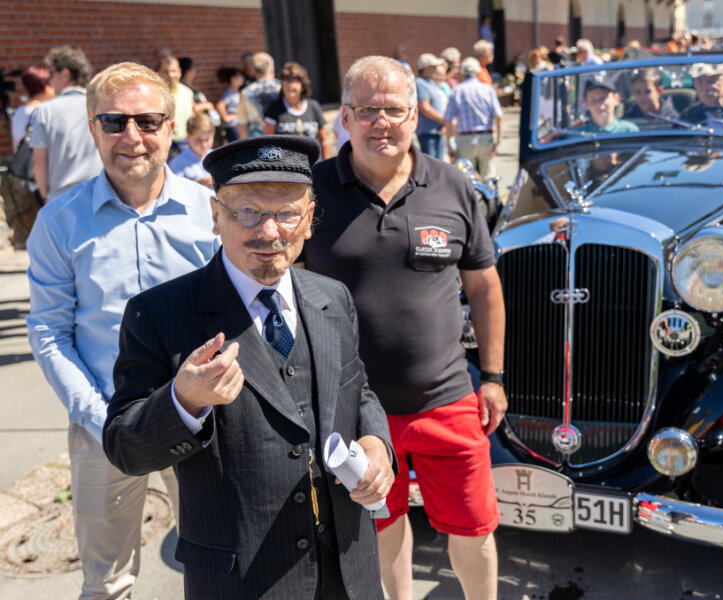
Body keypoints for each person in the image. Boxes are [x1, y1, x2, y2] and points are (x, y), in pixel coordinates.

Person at [103, 135, 394, 599]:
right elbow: (124, 447)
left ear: (310, 220)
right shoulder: (158, 314)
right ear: (216, 216)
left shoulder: (332, 297)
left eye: (287, 214)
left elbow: (358, 392)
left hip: (348, 570)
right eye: (248, 213)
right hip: (242, 583)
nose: (270, 232)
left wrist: (377, 443)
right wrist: (184, 402)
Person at [304, 55, 506, 600]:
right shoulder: (310, 192)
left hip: (446, 398)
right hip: (352, 411)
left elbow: (485, 287)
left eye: (393, 109)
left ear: (416, 115)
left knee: (473, 528)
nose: (381, 122)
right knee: (381, 528)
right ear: (344, 117)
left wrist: (492, 376)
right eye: (367, 109)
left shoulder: (452, 187)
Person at [26, 61, 219, 600]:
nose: (132, 137)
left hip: (201, 424)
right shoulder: (60, 222)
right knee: (107, 584)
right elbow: (48, 331)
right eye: (114, 122)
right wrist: (97, 418)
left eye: (148, 121)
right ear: (92, 129)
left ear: (171, 126)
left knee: (219, 568)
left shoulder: (210, 214)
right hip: (103, 424)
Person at [30, 45, 103, 202]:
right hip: (102, 195)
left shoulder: (45, 111)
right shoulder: (102, 105)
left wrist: (45, 196)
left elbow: (38, 162)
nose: (49, 80)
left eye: (51, 74)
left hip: (62, 199)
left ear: (65, 74)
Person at [443, 57, 504, 179]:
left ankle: (471, 198)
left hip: (465, 139)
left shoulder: (457, 91)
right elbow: (499, 116)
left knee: (466, 177)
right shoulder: (488, 89)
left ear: (462, 72)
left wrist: (449, 144)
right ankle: (490, 197)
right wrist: (498, 141)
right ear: (477, 72)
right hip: (486, 137)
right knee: (488, 176)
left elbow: (448, 119)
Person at [262, 61, 329, 157]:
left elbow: (324, 141)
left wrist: (327, 166)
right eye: (286, 80)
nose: (289, 85)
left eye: (293, 81)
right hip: (287, 169)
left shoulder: (314, 106)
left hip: (314, 167)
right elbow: (267, 144)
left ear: (302, 84)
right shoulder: (274, 109)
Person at [158, 55, 202, 151]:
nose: (170, 75)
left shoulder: (188, 92)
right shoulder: (156, 94)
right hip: (166, 145)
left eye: (173, 71)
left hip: (186, 144)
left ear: (179, 72)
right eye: (166, 72)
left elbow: (192, 115)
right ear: (160, 73)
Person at [237, 52, 281, 138]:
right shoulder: (283, 88)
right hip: (283, 141)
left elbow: (242, 125)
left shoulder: (246, 92)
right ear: (272, 69)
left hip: (258, 143)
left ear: (254, 71)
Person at [11, 65, 54, 152]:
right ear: (47, 88)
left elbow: (15, 147)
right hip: (44, 163)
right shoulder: (46, 111)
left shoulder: (19, 112)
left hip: (25, 164)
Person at [415, 53, 448, 159]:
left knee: (439, 165)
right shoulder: (420, 83)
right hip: (427, 133)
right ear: (425, 68)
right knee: (431, 164)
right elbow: (425, 108)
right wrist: (444, 120)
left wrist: (443, 124)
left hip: (437, 130)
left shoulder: (431, 83)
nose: (436, 69)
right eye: (433, 66)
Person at [168, 113, 215, 187]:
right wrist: (199, 183)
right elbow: (174, 189)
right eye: (199, 140)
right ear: (188, 137)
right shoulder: (178, 162)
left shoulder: (216, 157)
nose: (204, 144)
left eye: (207, 139)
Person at [216, 66, 244, 143]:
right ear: (233, 78)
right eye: (239, 76)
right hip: (232, 126)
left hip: (238, 125)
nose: (242, 78)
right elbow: (220, 105)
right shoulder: (228, 93)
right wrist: (226, 117)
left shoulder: (237, 91)